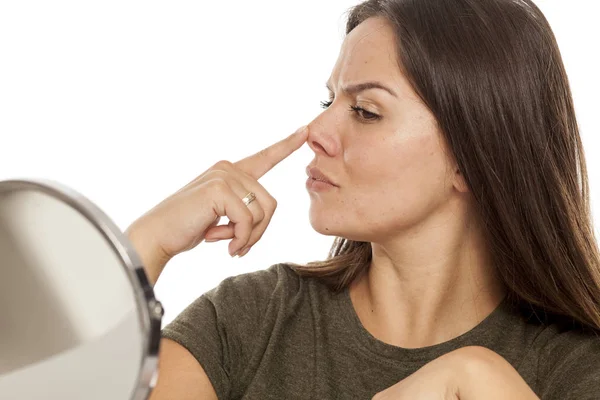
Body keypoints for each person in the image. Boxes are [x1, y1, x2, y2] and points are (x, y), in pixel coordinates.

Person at [125, 0, 600, 399]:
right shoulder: (254, 320)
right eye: (326, 102)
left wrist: (479, 376)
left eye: (365, 111)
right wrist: (142, 249)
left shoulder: (573, 367)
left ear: (471, 159)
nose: (317, 133)